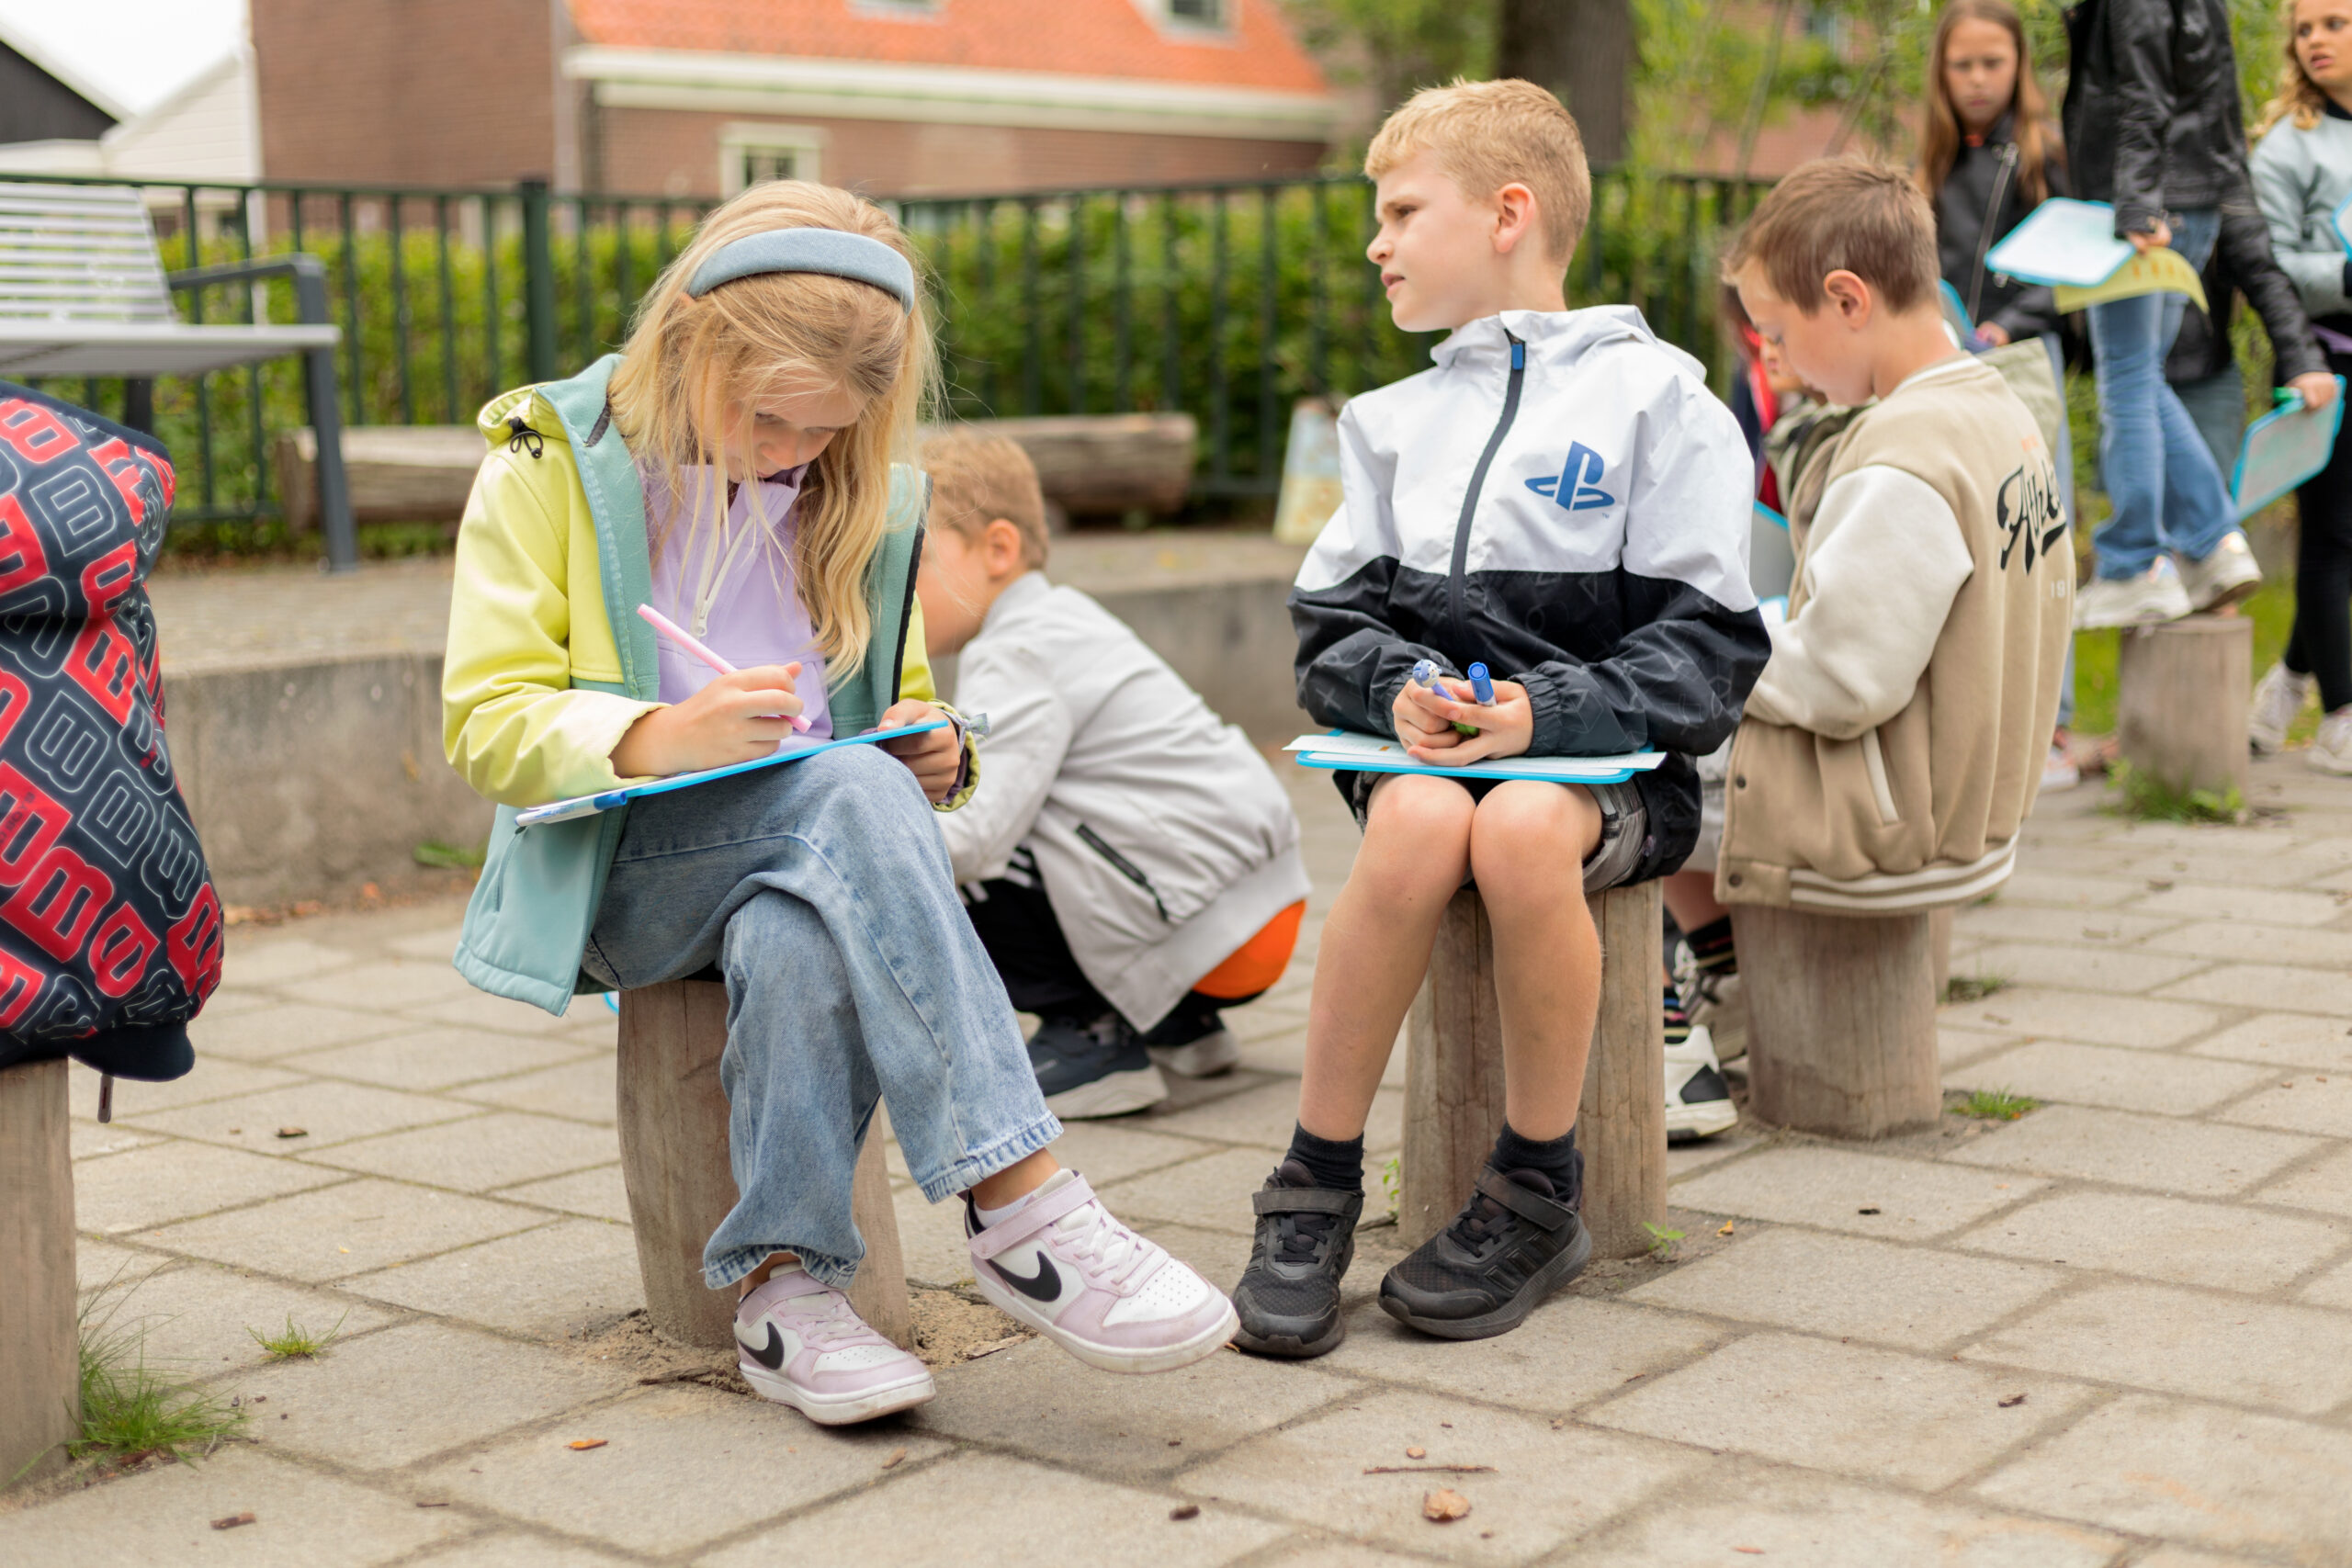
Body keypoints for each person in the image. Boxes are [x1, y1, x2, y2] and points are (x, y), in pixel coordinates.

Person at [441, 181, 1236, 1427]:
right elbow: (485, 722)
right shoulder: (548, 458)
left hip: (802, 853)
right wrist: (659, 731)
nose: (788, 456)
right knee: (839, 807)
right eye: (766, 419)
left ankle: (784, 1290)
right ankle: (1024, 1202)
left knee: (801, 917)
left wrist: (937, 757)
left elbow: (897, 715)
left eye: (821, 434)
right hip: (625, 877)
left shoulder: (869, 498)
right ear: (688, 343)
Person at [1230, 79, 1769, 1359]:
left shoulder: (1667, 405)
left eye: (1404, 210)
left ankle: (1538, 1187)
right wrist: (1398, 692)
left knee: (1522, 827)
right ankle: (1314, 1178)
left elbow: (1712, 651)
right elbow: (1328, 633)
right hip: (1429, 761)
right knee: (1416, 820)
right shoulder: (1390, 421)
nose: (1379, 241)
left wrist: (1551, 716)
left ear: (1509, 213)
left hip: (1608, 771)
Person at [914, 429, 1312, 1118]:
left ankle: (1091, 1036)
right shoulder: (1068, 618)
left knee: (947, 832)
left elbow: (977, 840)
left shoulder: (1017, 651)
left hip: (1200, 922)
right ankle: (1181, 1024)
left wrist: (878, 837)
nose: (888, 588)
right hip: (1260, 914)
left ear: (998, 549)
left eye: (907, 561)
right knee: (1024, 803)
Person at [1719, 161, 2070, 918]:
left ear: (1847, 299)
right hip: (1970, 803)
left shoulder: (1901, 455)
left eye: (1777, 333)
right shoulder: (1995, 406)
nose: (1773, 360)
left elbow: (1842, 682)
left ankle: (1697, 990)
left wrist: (1701, 648)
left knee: (1616, 772)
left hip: (1891, 830)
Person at [2062, 0, 2335, 626]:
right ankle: (2213, 541)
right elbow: (2209, 101)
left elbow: (2143, 91)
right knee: (2143, 373)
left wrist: (2133, 201)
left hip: (2149, 202)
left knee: (2126, 374)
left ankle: (2133, 562)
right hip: (2189, 196)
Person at [2251, 0, 2352, 770]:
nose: (2315, 39)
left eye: (2334, 23)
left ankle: (2286, 682)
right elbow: (2272, 264)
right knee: (2331, 533)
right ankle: (2340, 721)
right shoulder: (2290, 147)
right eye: (2305, 28)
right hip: (2324, 363)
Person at [1919, 0, 2069, 351]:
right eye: (1961, 65)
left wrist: (2010, 325)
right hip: (1943, 350)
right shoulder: (1929, 163)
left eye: (1992, 63)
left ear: (2019, 63)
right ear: (1941, 68)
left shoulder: (2046, 153)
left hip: (2023, 353)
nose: (1977, 79)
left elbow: (2069, 265)